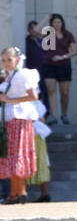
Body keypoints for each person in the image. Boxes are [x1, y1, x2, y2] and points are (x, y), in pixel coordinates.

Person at [0, 47, 42, 204]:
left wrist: (9, 100)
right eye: (3, 60)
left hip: (20, 117)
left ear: (16, 60)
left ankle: (20, 191)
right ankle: (15, 192)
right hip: (11, 118)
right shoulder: (10, 76)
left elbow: (33, 96)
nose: (6, 63)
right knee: (11, 154)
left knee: (17, 154)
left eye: (9, 60)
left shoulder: (23, 74)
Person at [40, 13, 76, 125]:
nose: (57, 24)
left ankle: (64, 114)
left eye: (59, 22)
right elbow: (35, 30)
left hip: (64, 65)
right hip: (49, 65)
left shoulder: (68, 35)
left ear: (62, 23)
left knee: (64, 93)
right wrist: (46, 17)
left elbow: (75, 51)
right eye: (54, 22)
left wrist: (62, 57)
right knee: (51, 91)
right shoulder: (48, 33)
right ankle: (54, 116)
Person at [25, 21, 49, 114]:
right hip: (31, 74)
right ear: (28, 30)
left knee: (45, 94)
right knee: (35, 95)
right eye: (32, 28)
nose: (34, 30)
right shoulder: (26, 41)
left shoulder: (42, 41)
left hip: (44, 72)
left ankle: (46, 114)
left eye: (36, 28)